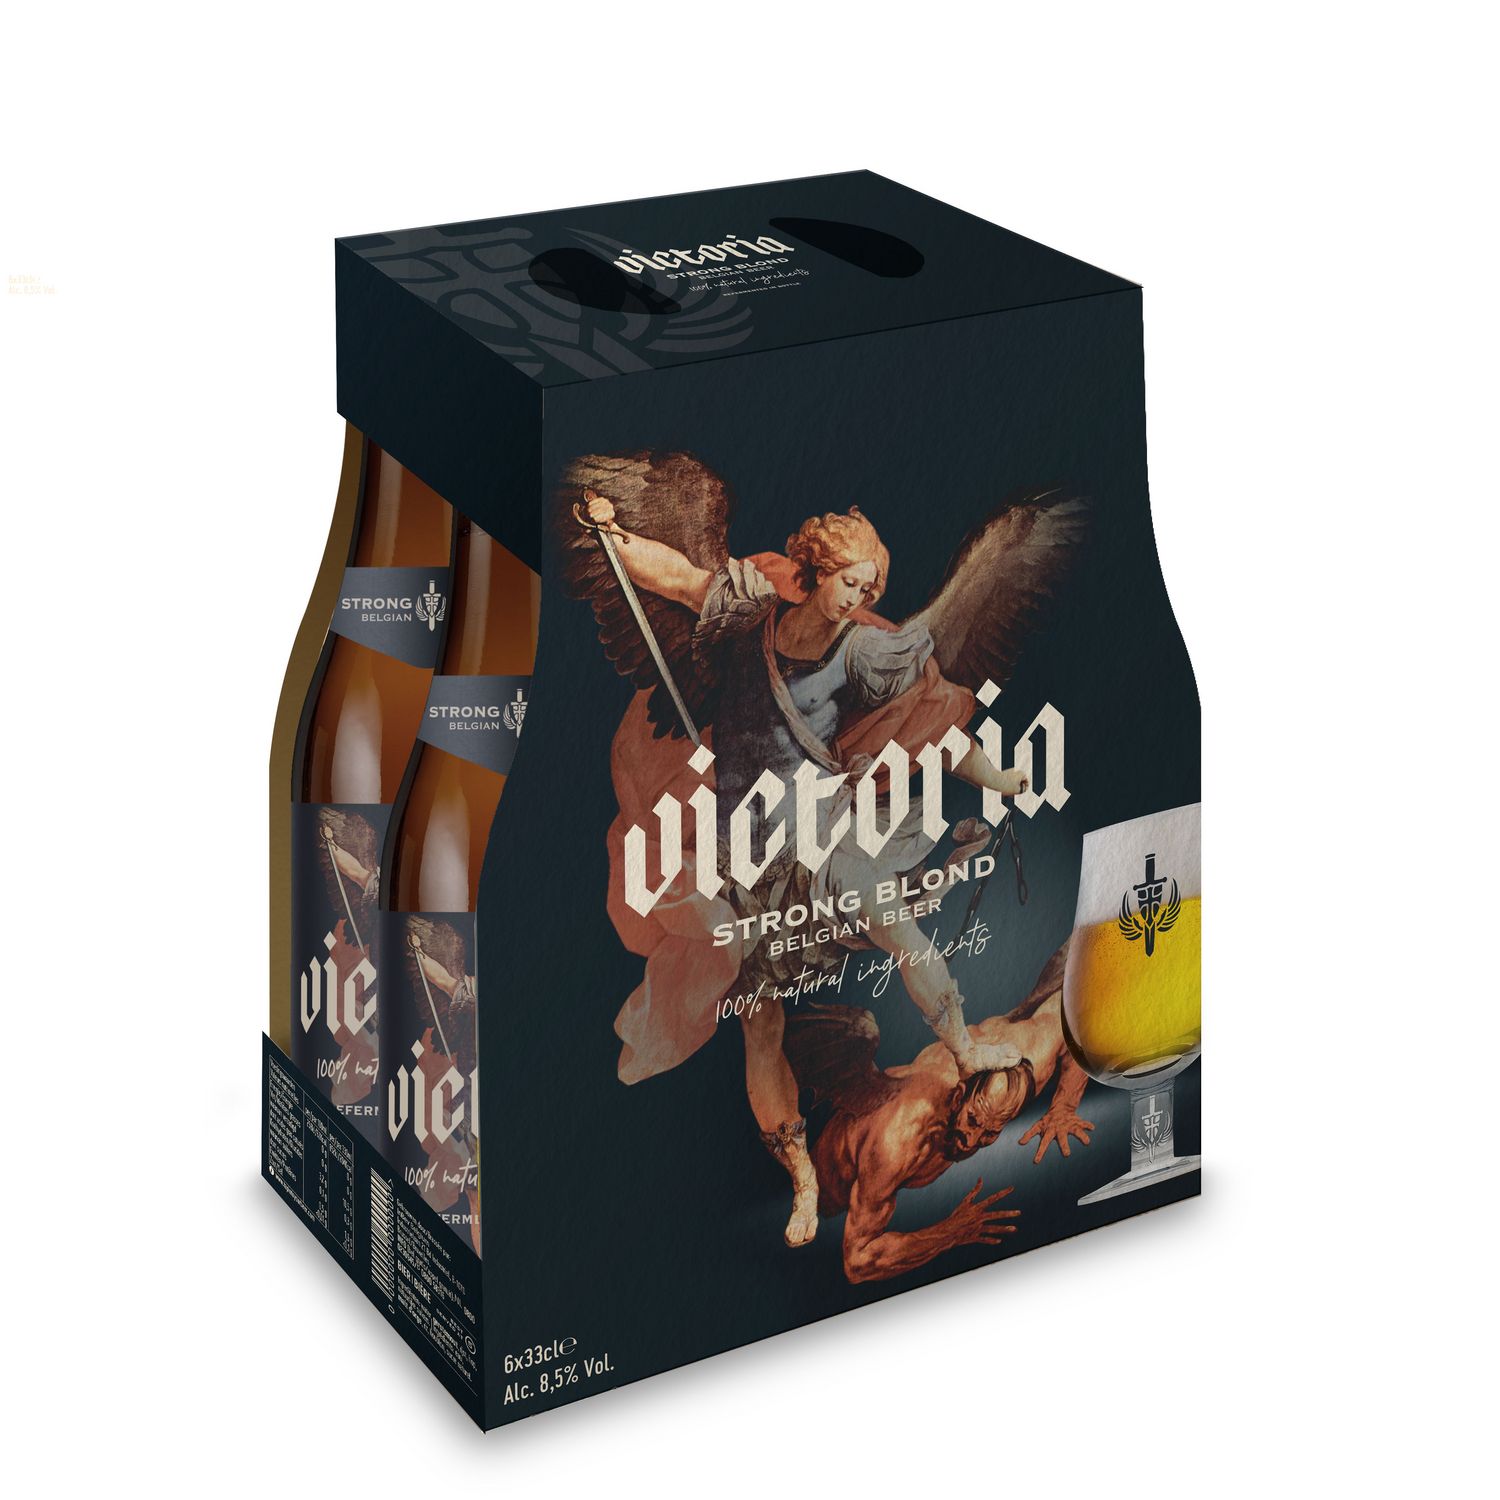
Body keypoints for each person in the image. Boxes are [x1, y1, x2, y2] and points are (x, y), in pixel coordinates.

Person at [584, 491, 1031, 1247]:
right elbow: (675, 578)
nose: (862, 598)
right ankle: (800, 1177)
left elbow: (927, 728)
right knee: (760, 1023)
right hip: (742, 852)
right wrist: (611, 533)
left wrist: (999, 777)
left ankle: (963, 1046)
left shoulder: (860, 652)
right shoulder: (746, 613)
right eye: (853, 582)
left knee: (895, 922)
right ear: (819, 569)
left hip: (821, 834)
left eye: (872, 588)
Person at [784, 944, 1093, 1282]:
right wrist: (951, 1232)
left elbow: (1071, 1013)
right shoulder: (899, 1139)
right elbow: (857, 1263)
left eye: (990, 1133)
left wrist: (1063, 1106)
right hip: (817, 1193)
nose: (971, 1141)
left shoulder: (1027, 1058)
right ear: (958, 1096)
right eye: (973, 1120)